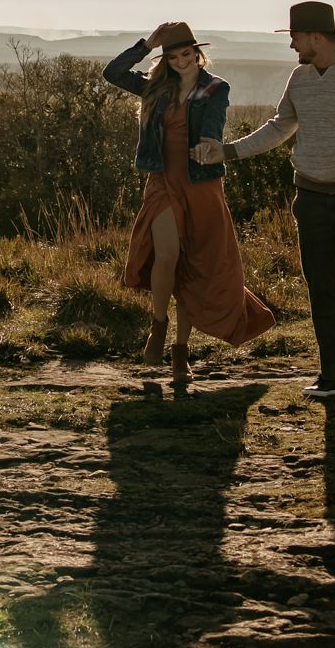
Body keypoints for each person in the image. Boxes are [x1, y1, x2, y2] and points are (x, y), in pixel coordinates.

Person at [191, 0, 335, 400]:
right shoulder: (299, 78)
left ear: (316, 37)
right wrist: (228, 151)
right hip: (310, 196)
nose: (292, 46)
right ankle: (331, 376)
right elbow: (279, 127)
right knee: (320, 284)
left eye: (295, 38)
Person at [103, 23, 275, 385]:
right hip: (162, 179)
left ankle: (181, 350)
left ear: (198, 54)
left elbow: (214, 122)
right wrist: (146, 45)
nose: (182, 62)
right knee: (166, 255)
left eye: (187, 54)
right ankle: (158, 325)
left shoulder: (215, 87)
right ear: (165, 59)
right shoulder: (155, 87)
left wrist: (208, 145)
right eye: (173, 57)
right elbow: (112, 73)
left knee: (192, 266)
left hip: (200, 183)